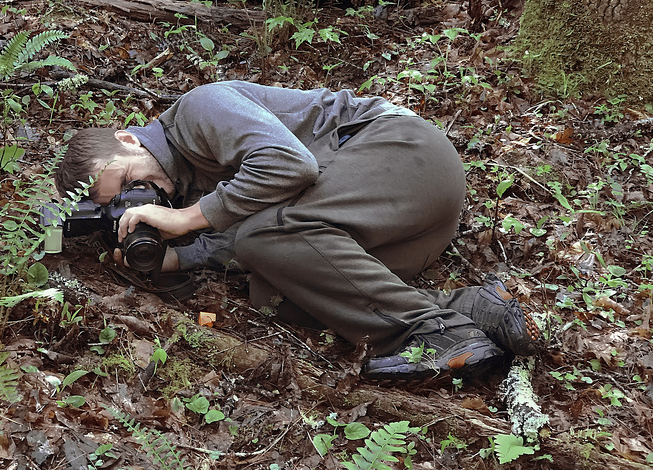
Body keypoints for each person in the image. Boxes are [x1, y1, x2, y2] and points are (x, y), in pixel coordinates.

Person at [54, 80, 539, 380]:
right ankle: (472, 310)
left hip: (405, 155)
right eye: (120, 199)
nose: (140, 193)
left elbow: (290, 167)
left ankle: (435, 333)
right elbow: (257, 229)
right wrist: (176, 256)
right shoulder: (181, 183)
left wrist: (184, 220)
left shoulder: (199, 110)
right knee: (271, 288)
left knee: (265, 239)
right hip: (403, 230)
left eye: (127, 180)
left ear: (127, 139)